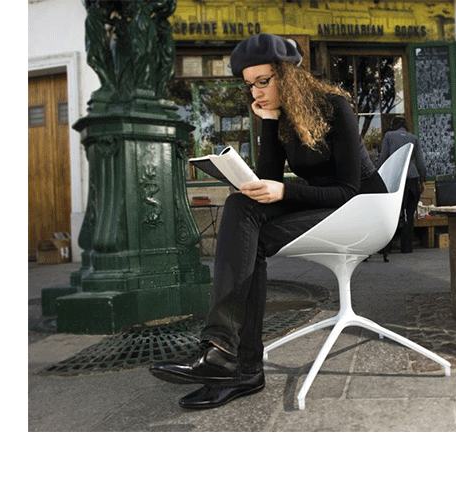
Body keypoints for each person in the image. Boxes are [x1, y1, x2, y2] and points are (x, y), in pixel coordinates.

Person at [149, 33, 387, 409]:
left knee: (250, 228)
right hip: (323, 205)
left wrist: (284, 191)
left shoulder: (334, 106)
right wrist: (270, 124)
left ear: (287, 76)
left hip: (363, 210)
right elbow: (267, 180)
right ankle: (224, 354)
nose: (256, 92)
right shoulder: (282, 117)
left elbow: (347, 190)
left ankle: (234, 361)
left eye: (263, 81)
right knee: (242, 208)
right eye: (249, 85)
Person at [377, 117, 426, 254]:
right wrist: (423, 179)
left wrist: (375, 172)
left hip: (396, 176)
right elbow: (420, 161)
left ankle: (386, 247)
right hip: (412, 176)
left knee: (391, 213)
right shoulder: (413, 138)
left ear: (394, 125)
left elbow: (384, 156)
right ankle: (407, 247)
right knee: (409, 214)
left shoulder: (389, 136)